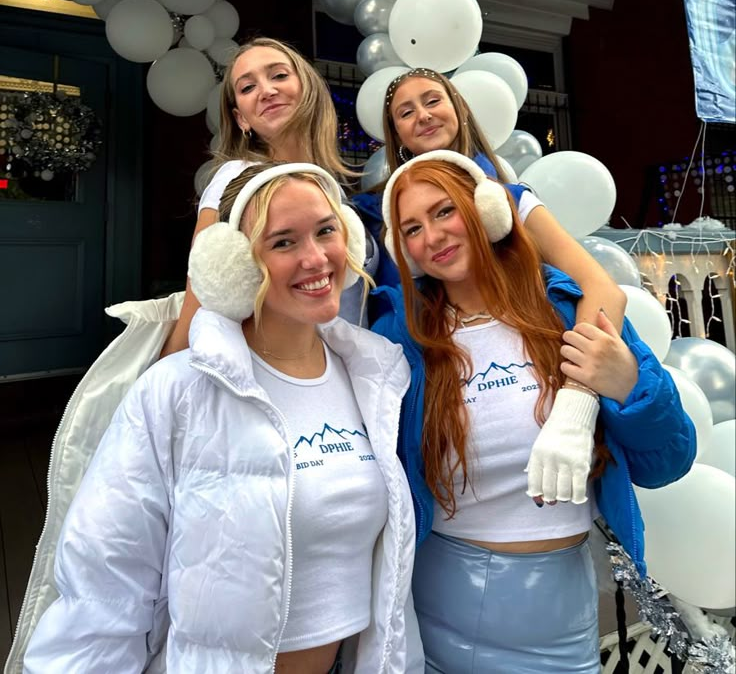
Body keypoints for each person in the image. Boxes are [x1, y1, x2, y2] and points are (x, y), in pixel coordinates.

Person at [22, 162, 423, 674]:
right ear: (235, 265)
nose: (316, 257)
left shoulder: (377, 379)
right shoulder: (178, 390)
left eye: (326, 231)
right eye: (283, 242)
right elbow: (104, 586)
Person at [374, 151, 696, 674]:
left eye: (443, 212)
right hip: (445, 599)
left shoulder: (566, 310)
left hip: (565, 606)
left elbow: (668, 461)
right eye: (411, 228)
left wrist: (628, 385)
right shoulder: (401, 339)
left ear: (484, 212)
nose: (431, 237)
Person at [353, 67, 627, 327]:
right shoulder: (376, 216)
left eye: (433, 101)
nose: (423, 115)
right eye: (406, 112)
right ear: (397, 135)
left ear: (459, 110)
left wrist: (584, 370)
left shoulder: (514, 200)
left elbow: (601, 289)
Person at [164, 35, 371, 355]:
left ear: (307, 88)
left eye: (279, 75)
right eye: (248, 88)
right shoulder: (235, 179)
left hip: (343, 374)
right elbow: (201, 298)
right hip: (271, 373)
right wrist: (166, 382)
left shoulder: (331, 185)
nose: (267, 90)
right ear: (241, 119)